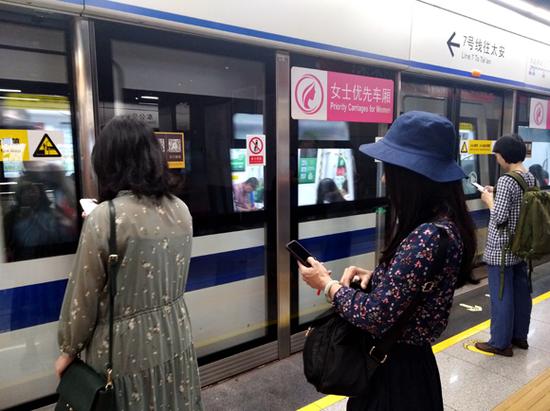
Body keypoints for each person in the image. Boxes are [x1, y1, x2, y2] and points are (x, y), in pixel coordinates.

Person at [299, 111, 476, 411]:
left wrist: (327, 285)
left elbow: (377, 315)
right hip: (411, 367)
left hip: (395, 373)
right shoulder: (444, 225)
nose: (384, 177)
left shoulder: (428, 236)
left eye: (391, 169)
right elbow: (413, 289)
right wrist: (377, 277)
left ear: (415, 177)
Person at [55, 116, 203, 410]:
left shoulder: (105, 219)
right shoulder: (181, 209)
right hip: (175, 335)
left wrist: (67, 352)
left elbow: (82, 298)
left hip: (125, 349)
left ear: (110, 164)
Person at [475, 134, 536, 357]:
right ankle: (520, 336)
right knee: (521, 292)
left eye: (497, 155)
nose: (497, 159)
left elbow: (499, 217)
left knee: (501, 294)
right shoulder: (529, 176)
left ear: (505, 156)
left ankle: (500, 343)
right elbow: (517, 205)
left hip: (501, 249)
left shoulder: (507, 179)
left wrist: (489, 199)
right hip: (521, 246)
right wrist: (497, 193)